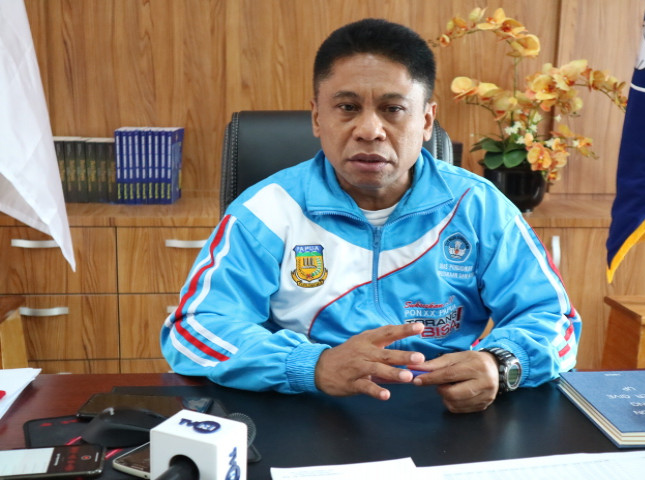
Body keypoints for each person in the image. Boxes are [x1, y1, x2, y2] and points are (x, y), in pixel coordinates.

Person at [161, 18, 581, 414]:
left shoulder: (478, 206)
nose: (369, 130)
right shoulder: (267, 210)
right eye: (347, 107)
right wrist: (311, 365)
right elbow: (196, 327)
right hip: (306, 407)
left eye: (393, 109)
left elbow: (554, 320)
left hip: (443, 411)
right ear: (317, 117)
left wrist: (500, 362)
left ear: (426, 120)